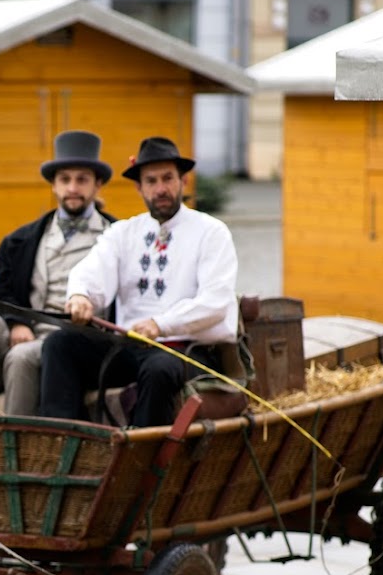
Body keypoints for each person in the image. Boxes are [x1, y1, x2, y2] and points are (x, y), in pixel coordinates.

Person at [37, 136, 239, 427]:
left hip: (188, 353)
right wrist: (80, 295)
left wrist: (160, 324)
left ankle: (142, 451)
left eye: (167, 178)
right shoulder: (123, 232)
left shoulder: (211, 232)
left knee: (159, 368)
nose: (160, 188)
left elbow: (215, 303)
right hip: (130, 348)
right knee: (60, 344)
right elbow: (90, 271)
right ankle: (64, 440)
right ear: (139, 187)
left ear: (183, 181)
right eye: (151, 181)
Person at [0, 130, 116, 415]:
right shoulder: (20, 240)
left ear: (97, 185)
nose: (72, 188)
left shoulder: (116, 238)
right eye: (65, 179)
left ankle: (15, 437)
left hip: (74, 345)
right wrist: (16, 323)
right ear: (54, 186)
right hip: (24, 332)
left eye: (82, 180)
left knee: (22, 356)